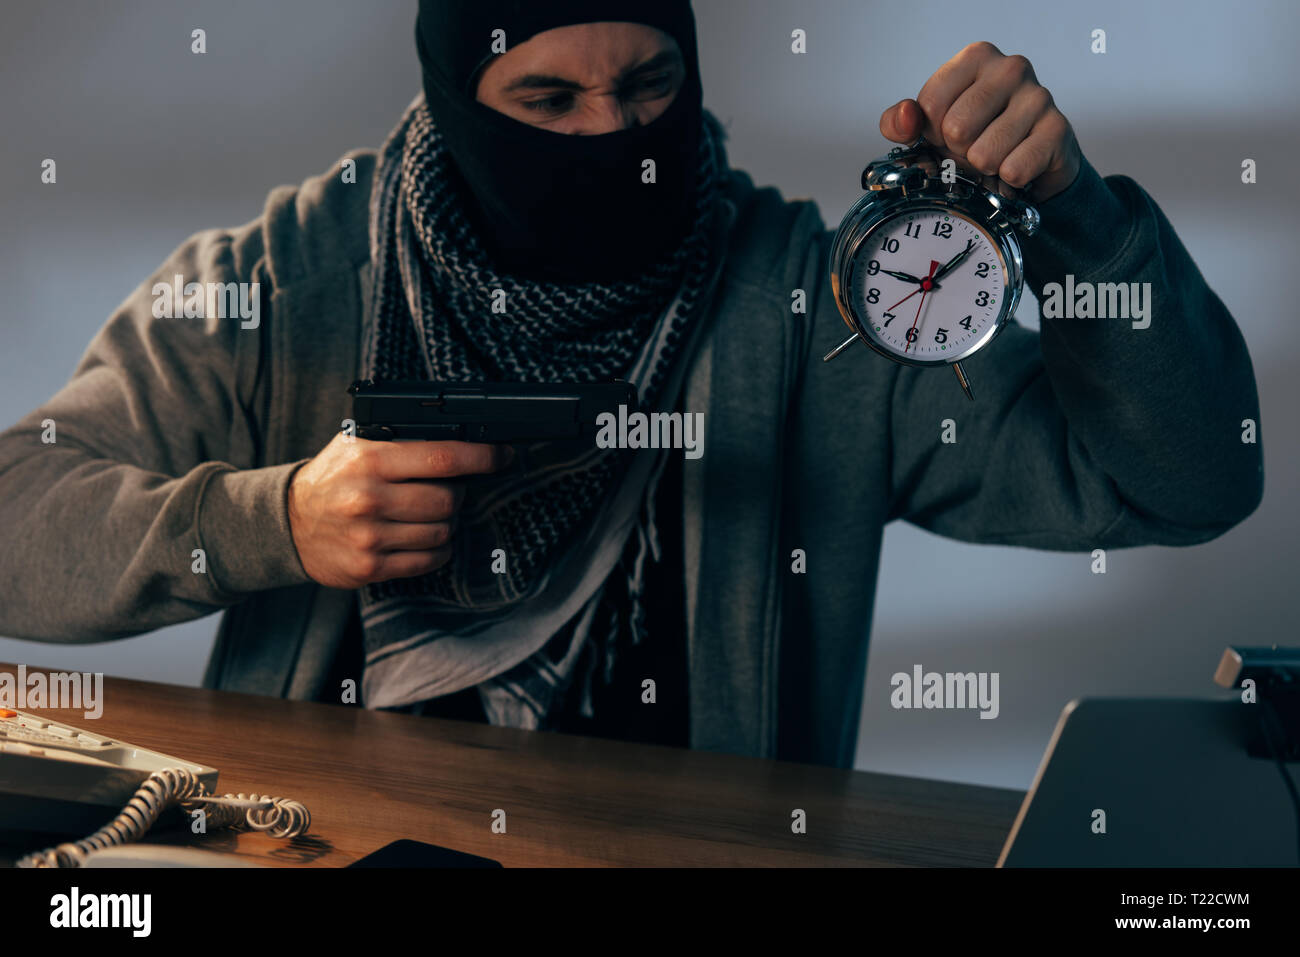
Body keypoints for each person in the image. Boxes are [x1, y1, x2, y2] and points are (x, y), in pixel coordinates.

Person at [0, 1, 1262, 768]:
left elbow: (1180, 484)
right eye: (545, 98)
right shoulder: (282, 281)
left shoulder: (819, 302)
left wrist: (1081, 223)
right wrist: (270, 523)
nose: (610, 136)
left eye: (648, 86)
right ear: (455, 97)